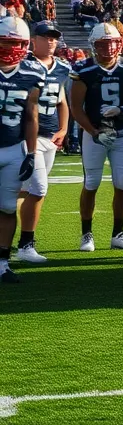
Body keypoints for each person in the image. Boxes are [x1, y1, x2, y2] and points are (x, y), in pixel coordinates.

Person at [69, 22, 123, 253]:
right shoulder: (84, 69)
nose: (108, 49)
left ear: (119, 44)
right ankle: (86, 234)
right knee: (91, 183)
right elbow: (76, 108)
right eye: (103, 44)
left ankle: (118, 235)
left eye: (112, 43)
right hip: (94, 134)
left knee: (122, 183)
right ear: (94, 46)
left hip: (121, 133)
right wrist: (93, 132)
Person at [15, 21, 70, 264]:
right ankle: (26, 245)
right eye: (45, 36)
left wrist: (64, 128)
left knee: (26, 190)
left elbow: (62, 100)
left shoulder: (62, 68)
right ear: (33, 40)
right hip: (29, 136)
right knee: (39, 189)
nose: (50, 41)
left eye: (54, 37)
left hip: (50, 136)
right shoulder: (23, 65)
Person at [0, 16, 41, 283]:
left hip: (14, 148)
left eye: (15, 43)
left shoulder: (32, 73)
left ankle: (2, 263)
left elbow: (31, 116)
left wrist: (31, 152)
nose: (10, 48)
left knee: (5, 207)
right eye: (5, 42)